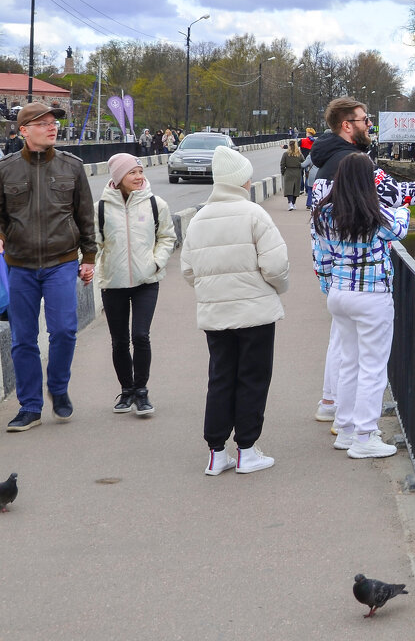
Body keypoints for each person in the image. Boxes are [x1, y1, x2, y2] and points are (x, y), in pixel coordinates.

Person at [308, 97, 415, 424]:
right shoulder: (356, 165)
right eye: (364, 119)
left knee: (343, 346)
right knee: (366, 361)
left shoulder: (321, 166)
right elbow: (396, 197)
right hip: (368, 286)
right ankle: (361, 431)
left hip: (336, 275)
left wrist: (327, 281)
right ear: (347, 125)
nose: (370, 124)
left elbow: (319, 236)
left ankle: (333, 407)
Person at [181, 145, 289, 475]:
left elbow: (188, 270)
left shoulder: (199, 218)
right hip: (255, 311)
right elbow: (276, 265)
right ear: (242, 181)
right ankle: (246, 449)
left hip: (216, 313)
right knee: (253, 378)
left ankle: (216, 453)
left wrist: (213, 291)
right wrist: (276, 290)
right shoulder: (255, 214)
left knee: (221, 377)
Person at [0, 103, 96, 431]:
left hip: (61, 262)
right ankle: (30, 406)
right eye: (42, 123)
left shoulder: (72, 167)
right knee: (23, 338)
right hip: (20, 266)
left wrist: (90, 258)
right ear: (24, 130)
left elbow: (85, 216)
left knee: (65, 330)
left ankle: (58, 387)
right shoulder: (6, 169)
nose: (52, 127)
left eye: (53, 123)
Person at [312, 153, 409, 459]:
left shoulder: (325, 213)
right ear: (369, 180)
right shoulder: (375, 212)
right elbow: (400, 228)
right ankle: (365, 436)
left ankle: (346, 428)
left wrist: (330, 287)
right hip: (372, 295)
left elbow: (322, 257)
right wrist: (403, 207)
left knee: (349, 361)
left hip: (339, 294)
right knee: (373, 367)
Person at [96, 153, 176, 416]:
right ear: (118, 178)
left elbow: (166, 237)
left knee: (140, 336)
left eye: (140, 172)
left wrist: (156, 262)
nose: (139, 177)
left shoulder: (156, 204)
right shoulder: (101, 208)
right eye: (132, 173)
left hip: (146, 281)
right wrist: (93, 267)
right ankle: (126, 390)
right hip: (113, 282)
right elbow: (94, 243)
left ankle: (141, 391)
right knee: (119, 341)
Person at [280, 140, 303, 210]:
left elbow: (282, 164)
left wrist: (283, 172)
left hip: (288, 172)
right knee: (296, 189)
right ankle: (293, 203)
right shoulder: (299, 154)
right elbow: (303, 161)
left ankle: (290, 203)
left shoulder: (285, 154)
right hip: (297, 172)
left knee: (288, 188)